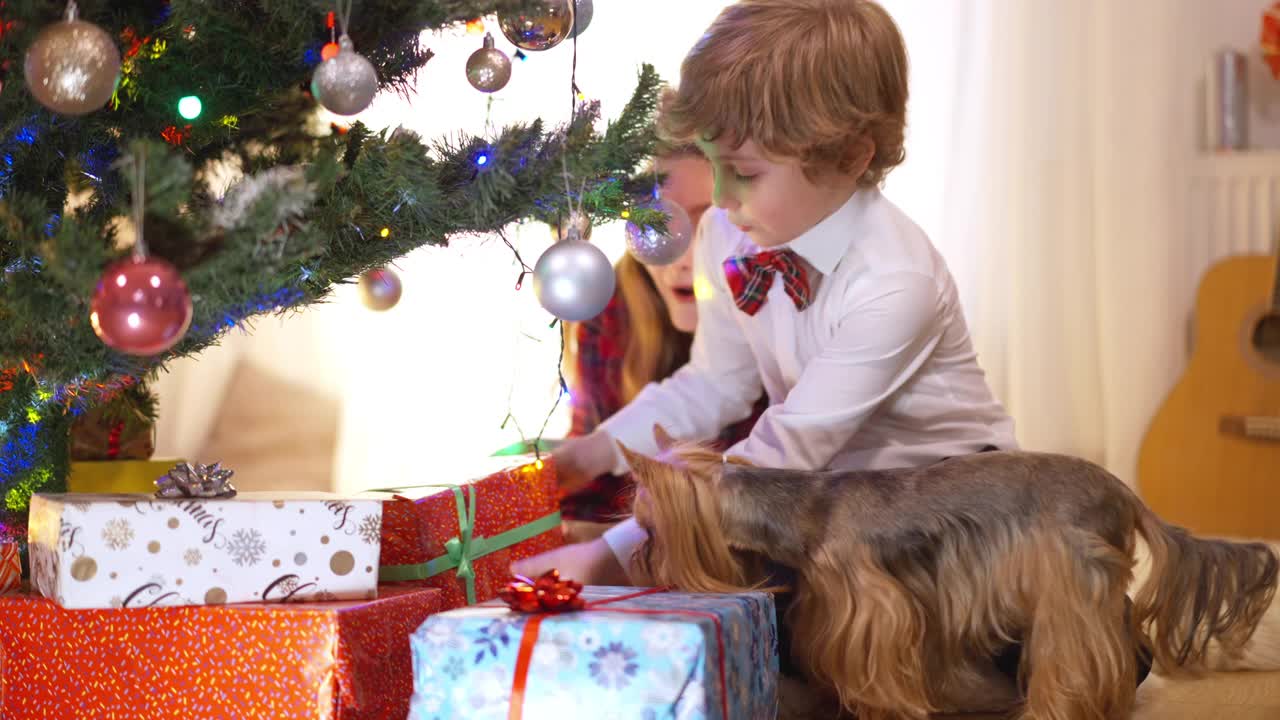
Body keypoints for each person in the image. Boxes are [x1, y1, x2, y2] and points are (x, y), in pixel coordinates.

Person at [517, 0, 1016, 585]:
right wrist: (594, 452)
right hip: (833, 505)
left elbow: (781, 456)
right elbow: (715, 384)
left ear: (852, 156)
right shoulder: (725, 231)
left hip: (952, 520)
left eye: (745, 172)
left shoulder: (895, 282)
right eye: (710, 161)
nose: (721, 196)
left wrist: (612, 554)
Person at [559, 142, 766, 543]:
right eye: (658, 224)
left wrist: (614, 550)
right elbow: (588, 492)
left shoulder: (771, 304)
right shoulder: (610, 308)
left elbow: (770, 490)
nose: (682, 257)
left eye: (704, 225)